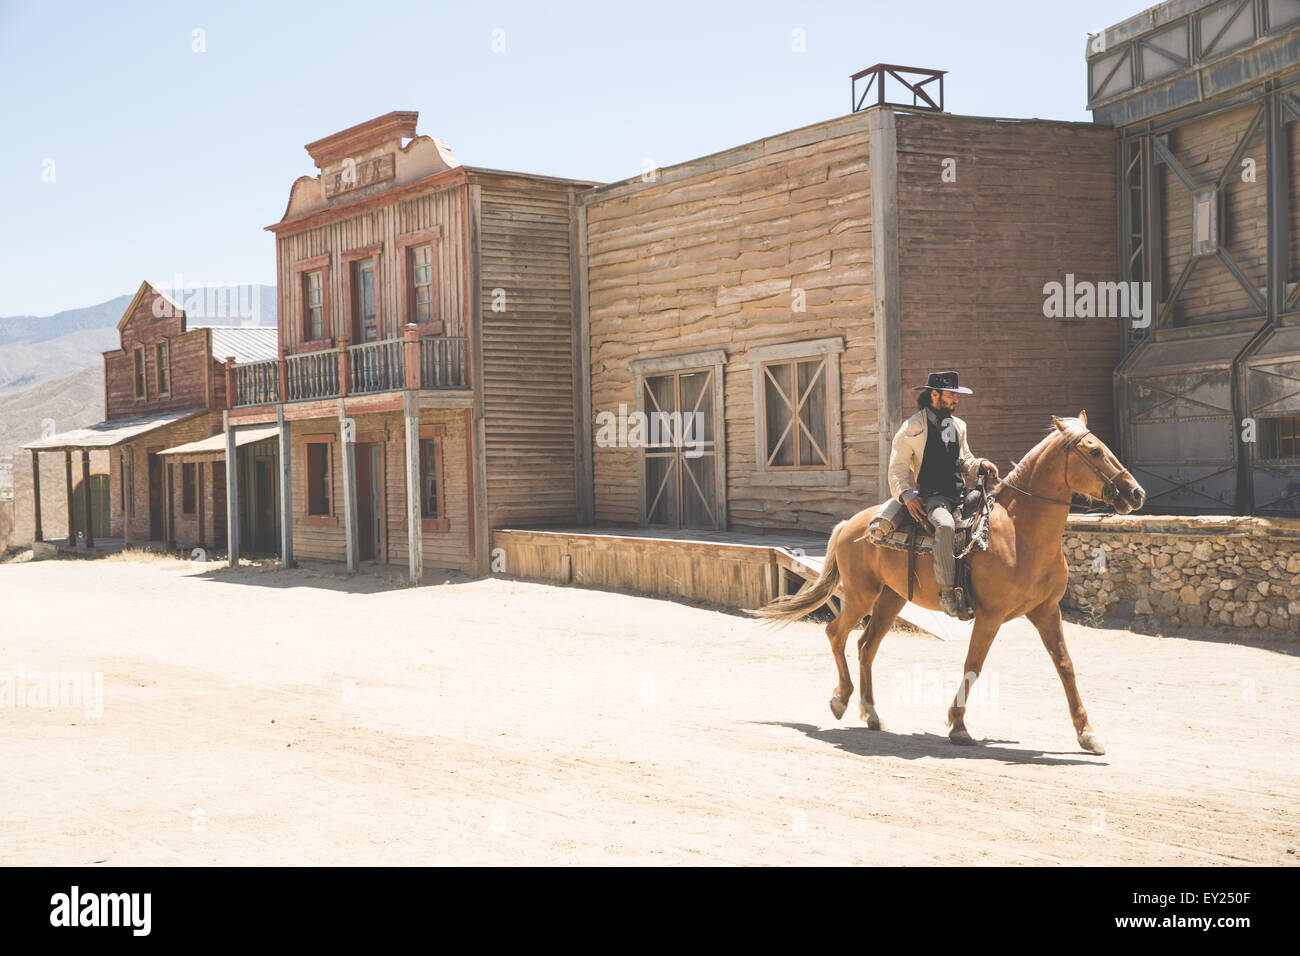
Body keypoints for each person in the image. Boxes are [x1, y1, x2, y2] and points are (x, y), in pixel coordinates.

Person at [876, 371, 999, 619]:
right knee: (944, 526)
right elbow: (896, 470)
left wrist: (980, 464)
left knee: (994, 514)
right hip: (934, 497)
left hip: (960, 494)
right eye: (951, 394)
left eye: (956, 394)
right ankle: (947, 595)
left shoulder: (957, 425)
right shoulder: (912, 427)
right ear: (934, 394)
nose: (956, 399)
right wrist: (907, 496)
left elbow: (964, 460)